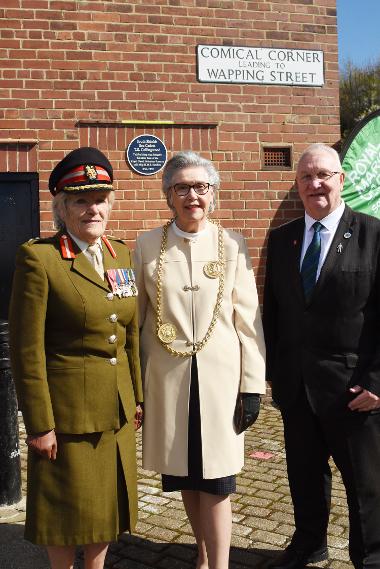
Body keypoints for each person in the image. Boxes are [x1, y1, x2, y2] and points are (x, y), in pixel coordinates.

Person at [9, 147, 143, 569]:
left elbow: (130, 335)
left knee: (105, 505)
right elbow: (26, 350)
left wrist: (137, 397)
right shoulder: (41, 260)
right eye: (81, 200)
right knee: (66, 512)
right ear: (61, 208)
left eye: (100, 199)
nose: (92, 209)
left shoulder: (121, 254)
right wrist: (40, 424)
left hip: (116, 409)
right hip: (67, 415)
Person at [134, 151, 266, 569]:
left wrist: (252, 385)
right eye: (182, 187)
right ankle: (204, 554)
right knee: (186, 475)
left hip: (220, 383)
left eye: (201, 186)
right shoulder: (146, 244)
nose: (193, 195)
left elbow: (248, 321)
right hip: (167, 379)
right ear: (168, 196)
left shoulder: (232, 244)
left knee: (218, 481)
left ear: (214, 194)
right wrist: (135, 388)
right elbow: (137, 318)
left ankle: (220, 564)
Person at [263, 143, 380, 569]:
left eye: (324, 175)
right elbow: (273, 311)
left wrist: (377, 384)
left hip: (354, 390)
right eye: (306, 177)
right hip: (297, 388)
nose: (315, 184)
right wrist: (276, 374)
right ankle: (309, 543)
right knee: (305, 477)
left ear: (341, 179)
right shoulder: (281, 240)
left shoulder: (374, 235)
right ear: (297, 185)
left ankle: (370, 556)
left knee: (366, 485)